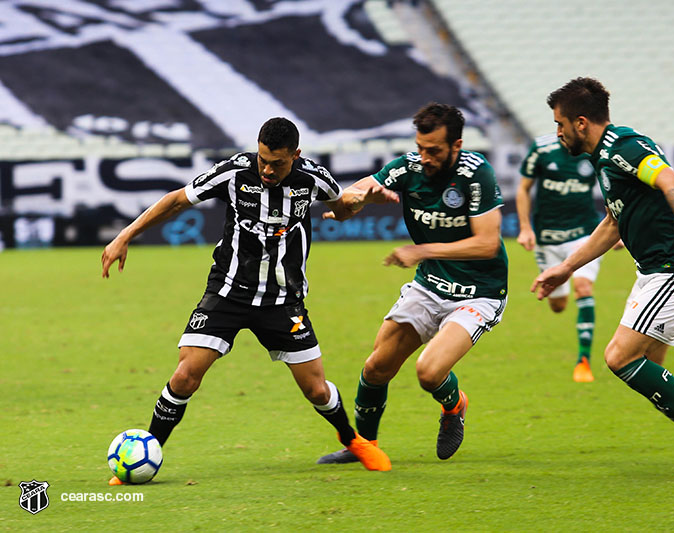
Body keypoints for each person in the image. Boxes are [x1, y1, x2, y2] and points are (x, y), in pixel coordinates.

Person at [101, 117, 398, 480]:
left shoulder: (313, 178)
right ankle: (146, 451)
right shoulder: (234, 173)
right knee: (185, 376)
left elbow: (340, 207)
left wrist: (358, 202)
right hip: (227, 293)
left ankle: (354, 442)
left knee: (317, 390)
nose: (268, 170)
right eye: (263, 160)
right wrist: (125, 235)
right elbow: (176, 200)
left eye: (278, 163)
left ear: (296, 156)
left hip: (283, 301)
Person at [533, 77, 674, 480]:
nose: (557, 133)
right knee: (647, 364)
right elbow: (612, 223)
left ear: (581, 123)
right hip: (657, 270)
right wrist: (565, 267)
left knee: (619, 357)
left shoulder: (624, 147)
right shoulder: (604, 157)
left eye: (560, 123)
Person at [317, 102, 508, 464]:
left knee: (428, 371)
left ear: (457, 145)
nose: (425, 157)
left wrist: (421, 250)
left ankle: (455, 406)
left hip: (479, 292)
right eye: (420, 148)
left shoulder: (476, 173)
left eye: (434, 150)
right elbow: (350, 200)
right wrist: (353, 201)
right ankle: (362, 447)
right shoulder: (409, 166)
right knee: (376, 367)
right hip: (430, 286)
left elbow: (487, 244)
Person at [516, 132, 620, 382]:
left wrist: (617, 228)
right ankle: (560, 298)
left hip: (584, 234)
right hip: (548, 237)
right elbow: (523, 188)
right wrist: (525, 227)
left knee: (583, 287)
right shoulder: (541, 148)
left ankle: (583, 361)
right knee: (558, 305)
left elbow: (612, 188)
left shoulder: (592, 151)